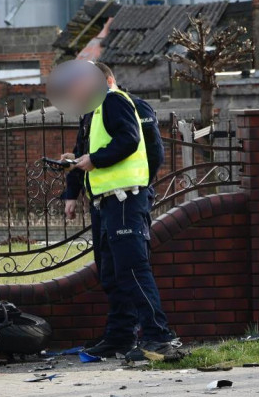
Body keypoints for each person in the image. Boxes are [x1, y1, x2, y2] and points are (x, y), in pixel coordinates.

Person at [60, 62, 182, 361]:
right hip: (105, 200)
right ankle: (120, 337)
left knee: (132, 268)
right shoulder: (94, 111)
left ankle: (158, 338)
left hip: (125, 197)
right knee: (112, 273)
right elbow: (83, 152)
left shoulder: (115, 101)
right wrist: (72, 189)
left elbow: (131, 140)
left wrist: (96, 160)